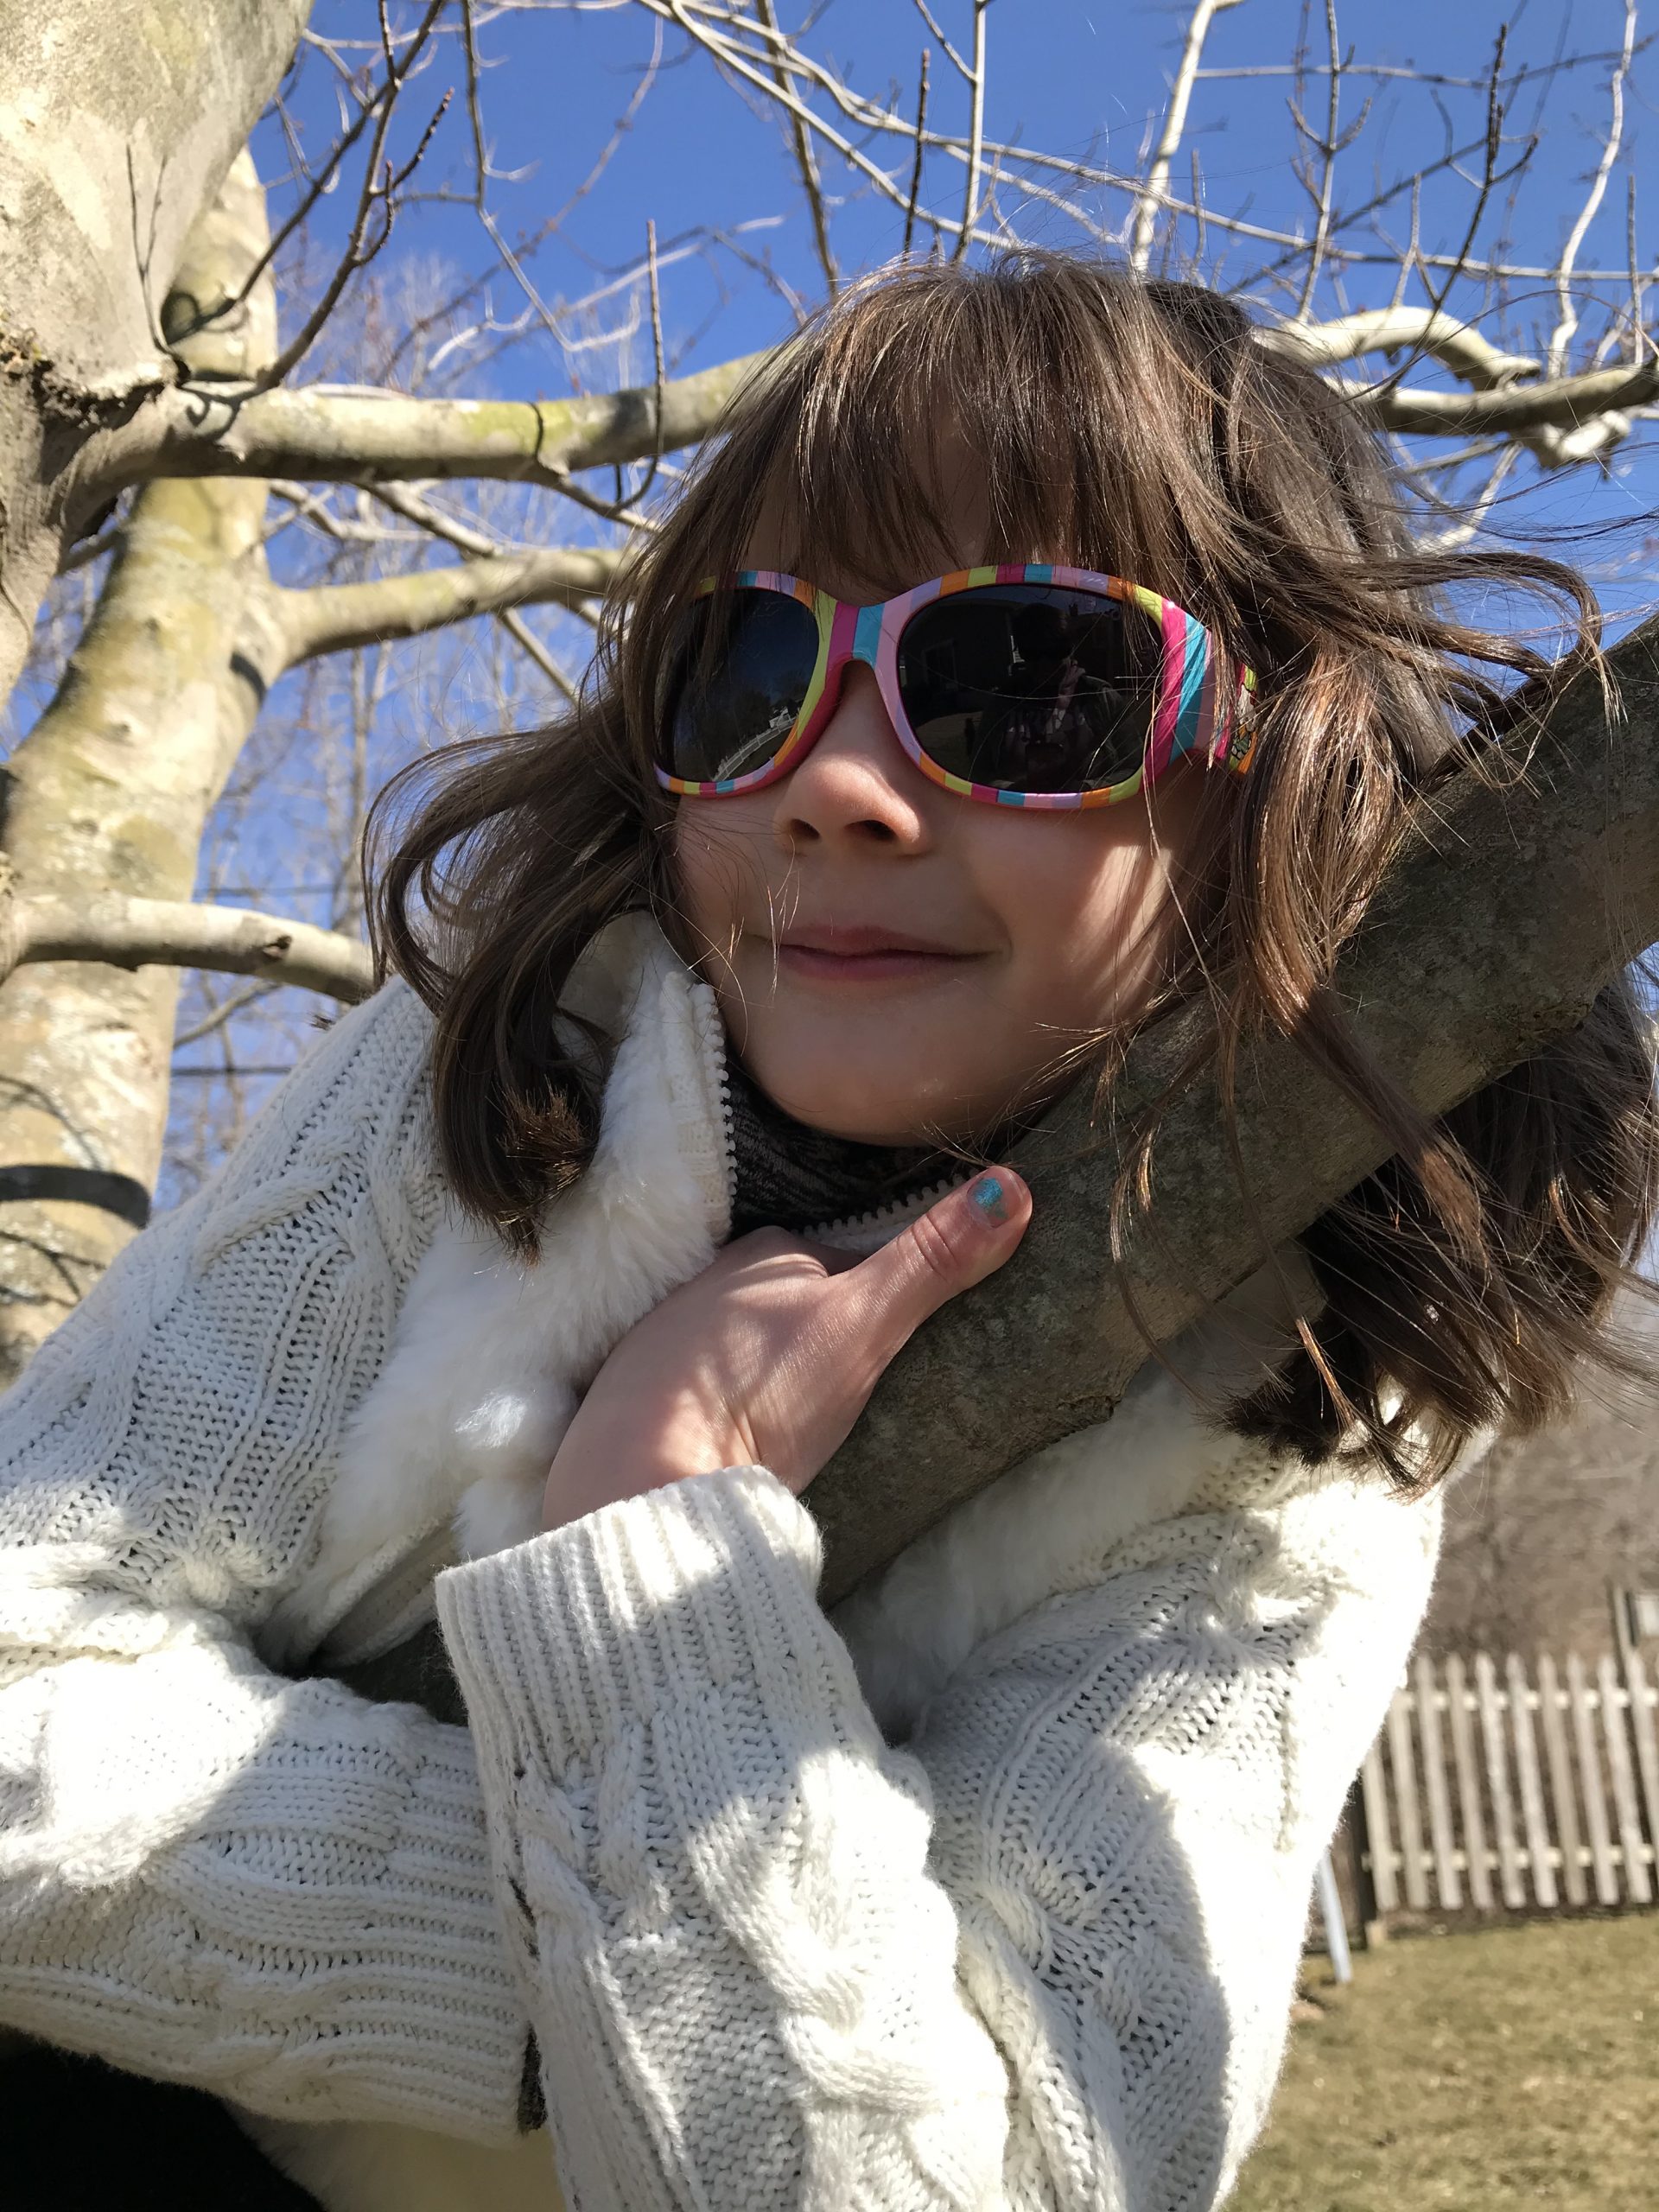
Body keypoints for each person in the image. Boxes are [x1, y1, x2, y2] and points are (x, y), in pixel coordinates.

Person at [1, 251, 1653, 2212]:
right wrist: (553, 1963)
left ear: (1291, 760)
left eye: (1027, 676)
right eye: (747, 673)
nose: (834, 786)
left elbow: (995, 2180)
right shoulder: (486, 1068)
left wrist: (651, 1551)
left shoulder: (1295, 1439)